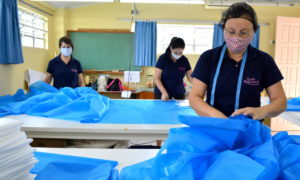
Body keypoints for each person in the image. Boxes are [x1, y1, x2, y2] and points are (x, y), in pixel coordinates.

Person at [189, 2, 286, 120]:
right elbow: (194, 98)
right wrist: (217, 117)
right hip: (214, 125)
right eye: (231, 31)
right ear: (223, 30)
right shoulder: (208, 58)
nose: (236, 37)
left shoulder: (264, 61)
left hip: (248, 129)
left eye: (244, 32)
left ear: (253, 32)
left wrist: (262, 111)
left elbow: (280, 101)